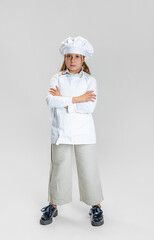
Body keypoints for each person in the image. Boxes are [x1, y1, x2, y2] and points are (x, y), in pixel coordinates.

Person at [40, 36, 104, 227]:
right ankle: (53, 204)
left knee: (89, 170)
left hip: (84, 133)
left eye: (77, 56)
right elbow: (50, 101)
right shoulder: (56, 78)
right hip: (61, 131)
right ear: (65, 59)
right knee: (58, 169)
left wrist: (65, 100)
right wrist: (77, 99)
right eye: (69, 56)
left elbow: (90, 107)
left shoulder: (90, 81)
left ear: (83, 59)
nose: (73, 60)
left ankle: (96, 206)